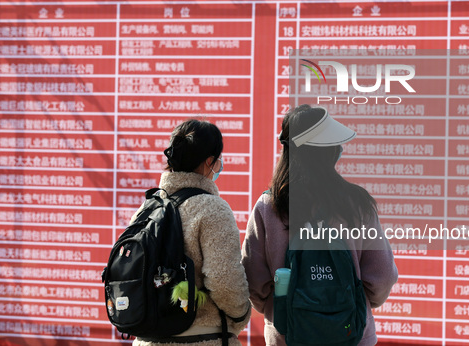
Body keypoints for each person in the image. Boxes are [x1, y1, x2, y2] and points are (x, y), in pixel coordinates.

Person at [242, 105, 398, 346]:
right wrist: (350, 302)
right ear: (331, 150)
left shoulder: (268, 206)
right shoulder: (357, 203)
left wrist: (281, 308)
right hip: (352, 334)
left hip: (287, 336)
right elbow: (382, 277)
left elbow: (254, 281)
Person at [132, 119, 251, 346]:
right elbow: (224, 281)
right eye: (217, 161)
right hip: (201, 338)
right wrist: (241, 313)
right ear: (209, 162)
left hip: (146, 339)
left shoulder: (146, 209)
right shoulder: (213, 208)